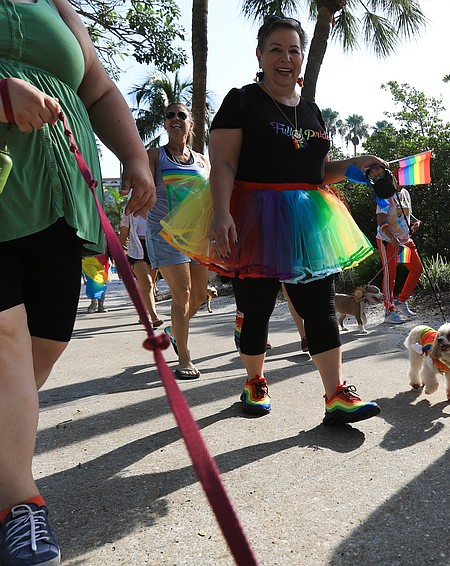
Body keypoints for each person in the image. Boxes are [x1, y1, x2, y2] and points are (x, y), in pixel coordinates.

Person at [160, 16, 381, 425]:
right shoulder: (242, 100)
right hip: (252, 216)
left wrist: (356, 164)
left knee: (320, 306)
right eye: (276, 49)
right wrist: (222, 212)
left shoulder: (312, 110)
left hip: (307, 219)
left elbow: (316, 172)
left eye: (294, 50)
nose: (286, 58)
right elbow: (223, 161)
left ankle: (336, 393)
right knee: (255, 306)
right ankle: (255, 380)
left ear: (302, 58)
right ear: (260, 55)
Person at [0, 0, 155, 563]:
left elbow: (99, 90)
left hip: (59, 195)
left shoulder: (56, 4)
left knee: (47, 338)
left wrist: (134, 156)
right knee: (5, 339)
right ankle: (19, 506)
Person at [145, 102, 211, 380]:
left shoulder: (202, 160)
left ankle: (174, 331)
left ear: (190, 124)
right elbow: (141, 185)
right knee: (182, 294)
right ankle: (184, 356)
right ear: (165, 124)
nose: (175, 119)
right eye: (170, 115)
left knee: (198, 295)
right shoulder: (154, 156)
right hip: (165, 233)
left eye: (181, 115)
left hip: (197, 235)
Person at [375, 182, 423, 324]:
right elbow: (380, 219)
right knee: (390, 275)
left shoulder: (405, 193)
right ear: (393, 179)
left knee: (416, 269)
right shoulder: (384, 195)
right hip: (388, 241)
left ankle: (401, 301)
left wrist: (416, 221)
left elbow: (405, 212)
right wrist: (391, 237)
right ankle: (389, 311)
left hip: (405, 240)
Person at [119, 201, 163, 327]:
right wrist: (119, 252)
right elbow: (124, 229)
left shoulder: (156, 204)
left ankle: (143, 314)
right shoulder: (129, 207)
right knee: (147, 284)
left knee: (151, 284)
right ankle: (154, 317)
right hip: (136, 249)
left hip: (154, 247)